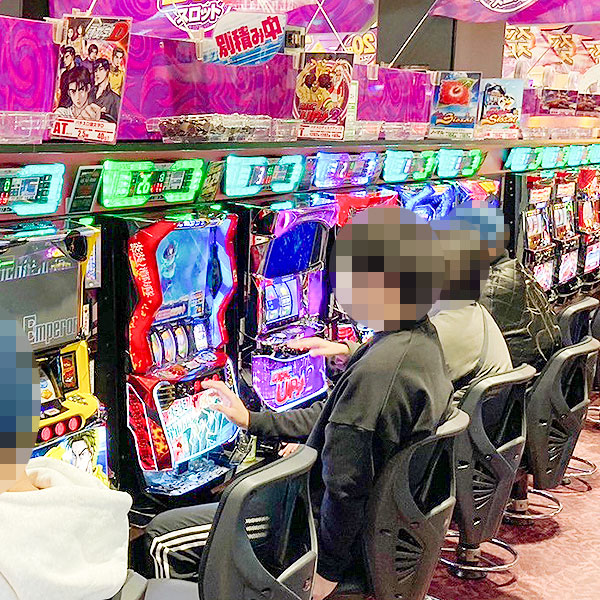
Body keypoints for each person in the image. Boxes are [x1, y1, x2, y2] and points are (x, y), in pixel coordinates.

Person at [143, 206, 454, 600]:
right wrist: (252, 420)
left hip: (309, 526)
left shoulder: (379, 373)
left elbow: (346, 487)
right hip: (380, 527)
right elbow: (337, 418)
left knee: (160, 538)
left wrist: (325, 571)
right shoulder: (417, 343)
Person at [93, 58, 121, 122]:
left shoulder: (115, 99)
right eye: (95, 71)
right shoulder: (89, 94)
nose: (97, 73)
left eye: (101, 69)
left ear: (107, 71)